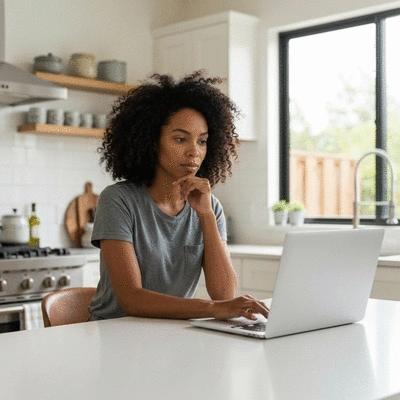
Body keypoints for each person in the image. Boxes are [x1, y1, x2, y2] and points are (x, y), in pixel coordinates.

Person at [88, 70, 269, 322]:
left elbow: (224, 293)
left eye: (202, 141)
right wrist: (211, 309)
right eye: (181, 139)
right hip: (114, 334)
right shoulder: (118, 200)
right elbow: (131, 299)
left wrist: (205, 216)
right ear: (152, 141)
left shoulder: (209, 206)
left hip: (170, 334)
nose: (194, 152)